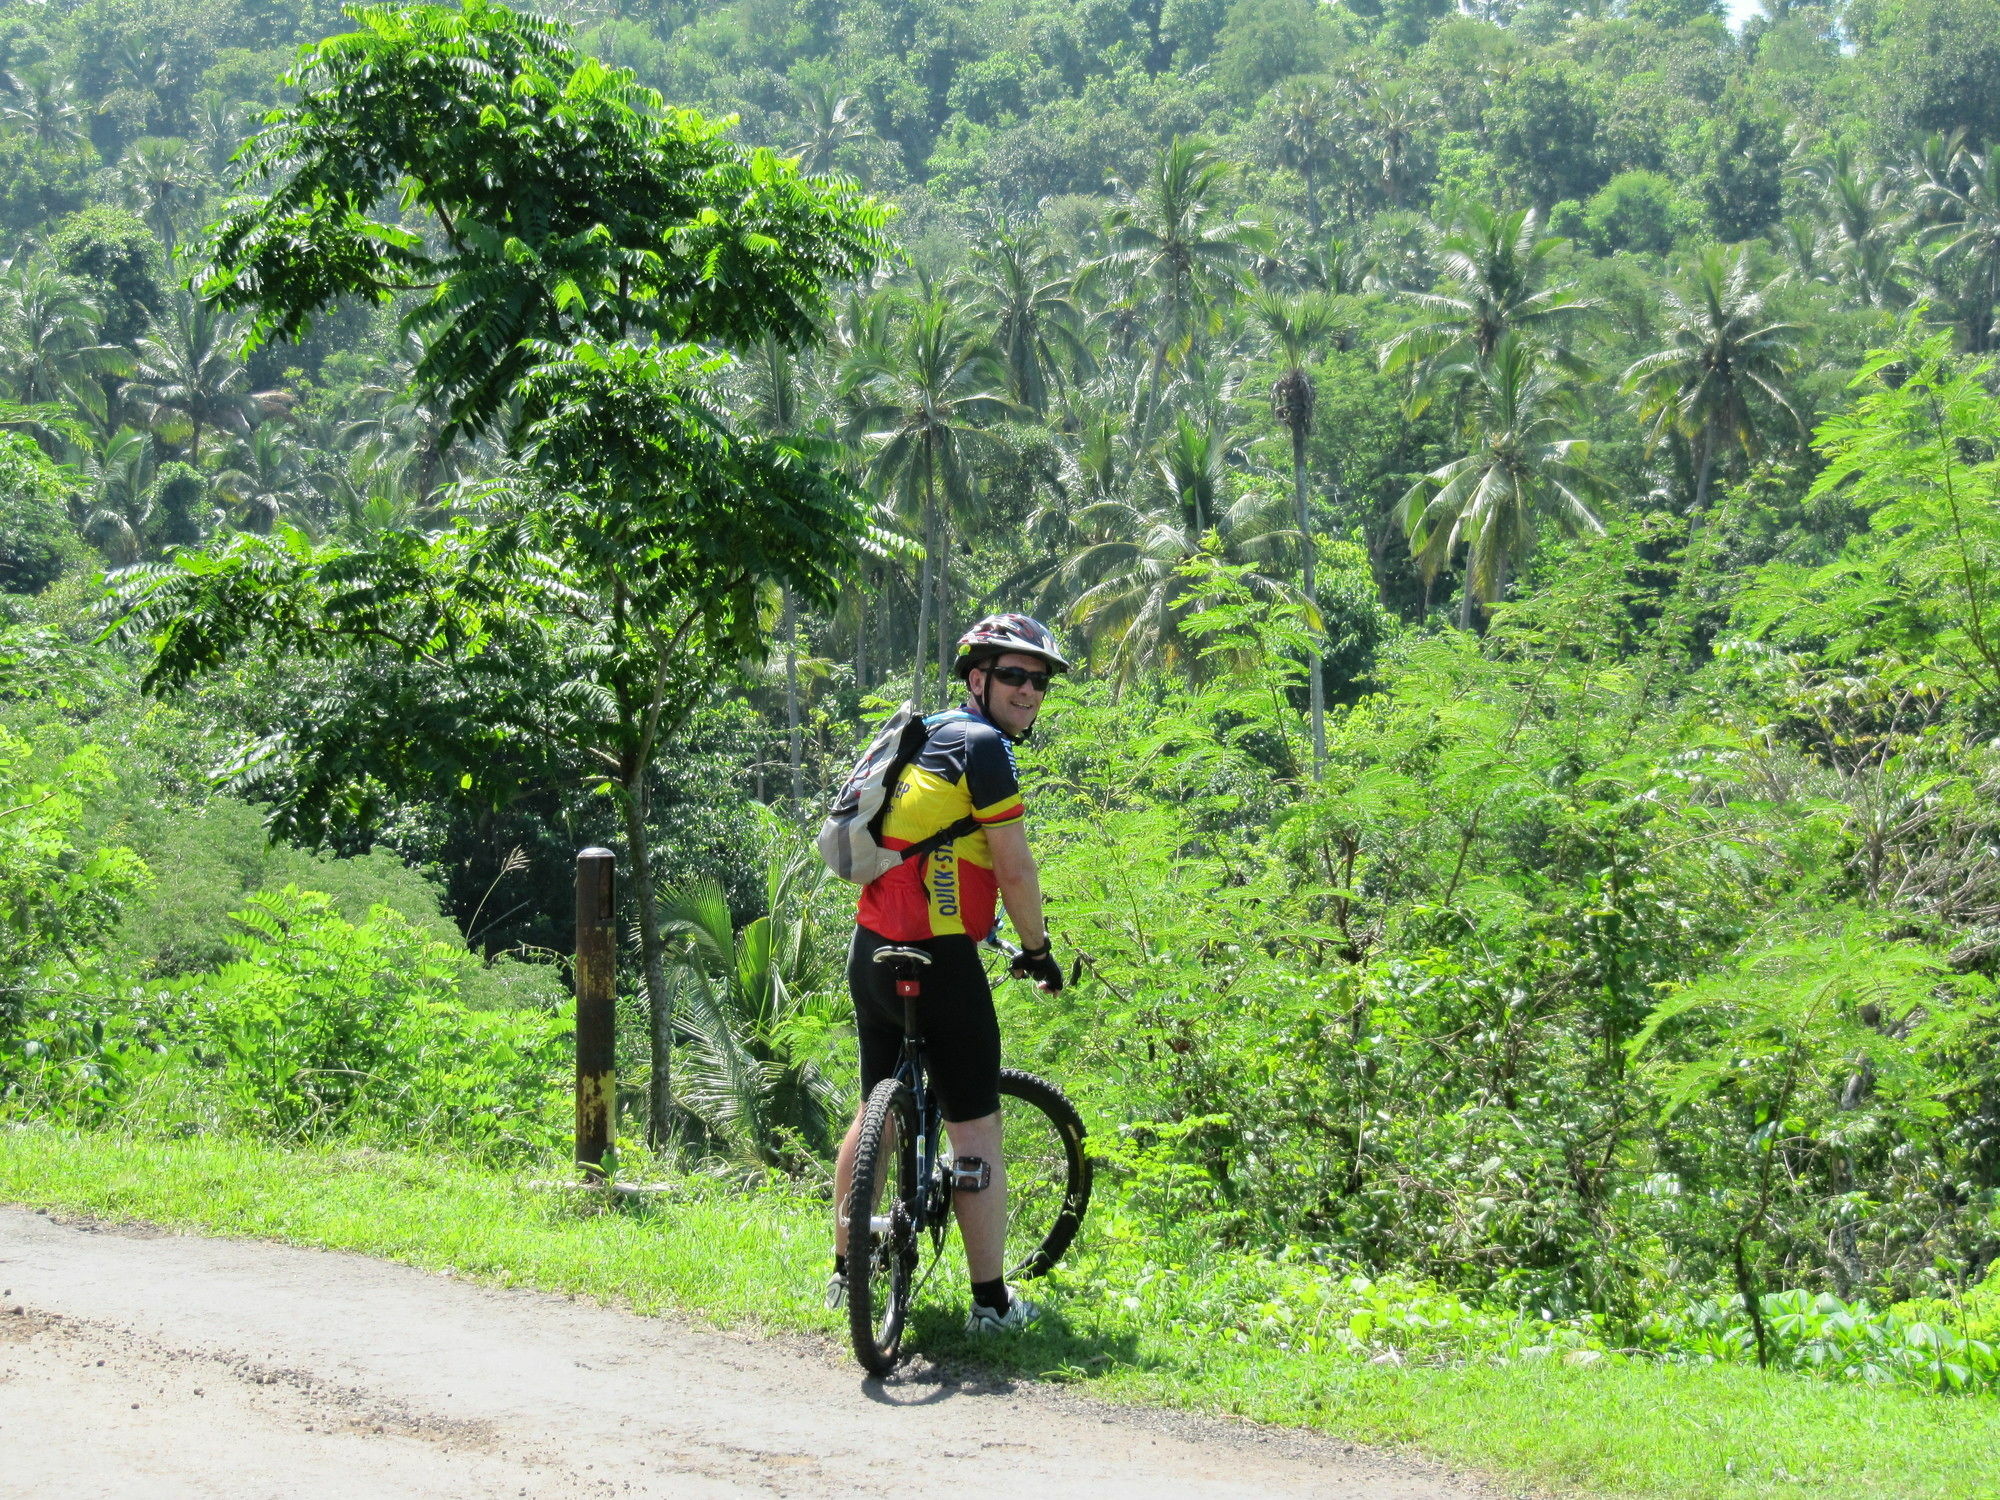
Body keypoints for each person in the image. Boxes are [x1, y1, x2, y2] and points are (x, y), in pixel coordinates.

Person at [828, 613, 1069, 1334]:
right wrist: (1036, 949)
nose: (1030, 691)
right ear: (978, 680)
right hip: (942, 963)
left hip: (871, 952)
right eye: (1016, 676)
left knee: (877, 1108)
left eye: (1040, 680)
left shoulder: (924, 734)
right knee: (975, 1127)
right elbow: (1015, 866)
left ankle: (846, 1273)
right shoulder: (986, 748)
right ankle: (992, 1305)